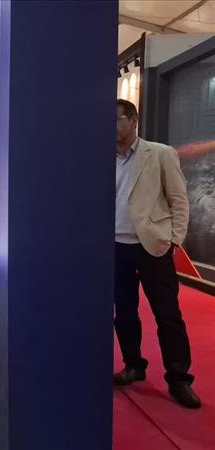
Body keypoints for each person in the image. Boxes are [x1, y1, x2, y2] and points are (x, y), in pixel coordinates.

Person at [113, 99, 200, 408]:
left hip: (151, 247)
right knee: (124, 312)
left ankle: (179, 379)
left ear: (133, 120)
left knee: (167, 315)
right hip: (115, 248)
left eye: (116, 119)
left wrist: (174, 240)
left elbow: (179, 199)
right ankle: (134, 365)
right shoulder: (100, 157)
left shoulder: (160, 154)